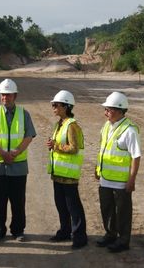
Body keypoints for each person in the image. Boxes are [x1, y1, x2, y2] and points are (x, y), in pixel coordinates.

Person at [0, 78, 36, 243]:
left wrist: (16, 152)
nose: (5, 97)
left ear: (15, 95)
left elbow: (29, 136)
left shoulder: (24, 113)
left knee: (18, 201)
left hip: (18, 165)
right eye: (2, 95)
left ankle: (18, 230)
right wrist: (3, 154)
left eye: (8, 95)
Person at [95, 92, 141, 253]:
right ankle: (110, 234)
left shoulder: (129, 130)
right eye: (105, 109)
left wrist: (132, 179)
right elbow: (103, 150)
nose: (105, 113)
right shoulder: (107, 126)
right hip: (105, 178)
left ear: (120, 110)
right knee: (107, 209)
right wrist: (98, 169)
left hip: (121, 181)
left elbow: (136, 157)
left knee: (122, 212)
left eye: (109, 110)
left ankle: (123, 240)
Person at [46, 90, 88, 249]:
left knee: (73, 206)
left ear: (66, 106)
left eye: (56, 105)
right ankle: (65, 230)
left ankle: (80, 237)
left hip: (68, 174)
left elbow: (74, 148)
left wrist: (56, 146)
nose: (53, 107)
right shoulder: (60, 124)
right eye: (53, 105)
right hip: (58, 174)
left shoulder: (72, 125)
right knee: (61, 205)